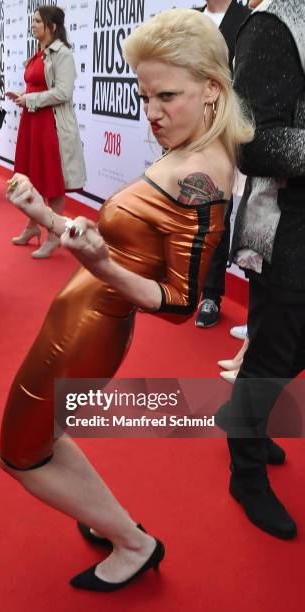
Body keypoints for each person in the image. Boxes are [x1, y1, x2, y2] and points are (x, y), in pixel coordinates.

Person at [0, 9, 253, 592]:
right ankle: (113, 524)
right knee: (47, 439)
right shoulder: (186, 145)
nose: (153, 113)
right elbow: (114, 245)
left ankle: (135, 544)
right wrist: (46, 216)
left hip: (90, 333)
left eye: (168, 96)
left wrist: (101, 263)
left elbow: (180, 303)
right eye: (145, 96)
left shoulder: (203, 177)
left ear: (212, 89)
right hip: (78, 317)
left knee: (19, 456)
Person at [215, 0, 305, 540]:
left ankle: (245, 417)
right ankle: (245, 474)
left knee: (287, 354)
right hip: (287, 232)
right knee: (271, 356)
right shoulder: (275, 24)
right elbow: (254, 142)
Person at [9, 5, 86, 259]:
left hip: (50, 126)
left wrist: (30, 100)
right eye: (32, 21)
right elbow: (37, 87)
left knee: (52, 182)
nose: (33, 25)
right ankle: (32, 227)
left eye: (37, 21)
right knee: (31, 178)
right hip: (32, 122)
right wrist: (23, 96)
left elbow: (63, 93)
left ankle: (54, 235)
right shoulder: (40, 53)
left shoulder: (62, 54)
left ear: (52, 27)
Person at [194, 0, 251, 328]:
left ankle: (211, 296)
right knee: (189, 209)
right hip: (191, 129)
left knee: (218, 212)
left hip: (226, 130)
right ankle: (182, 286)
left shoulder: (247, 19)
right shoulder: (192, 16)